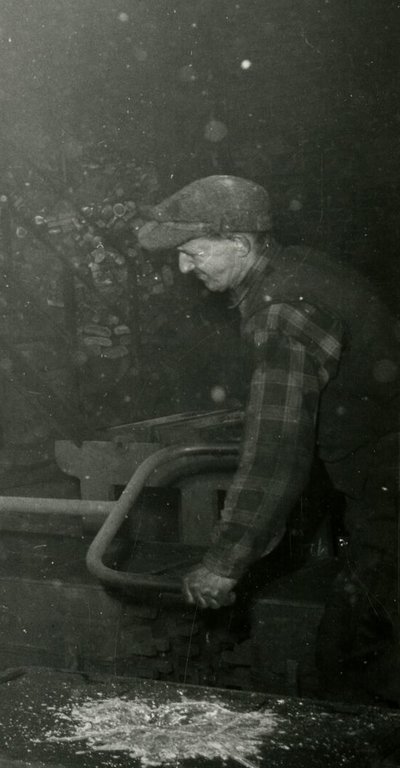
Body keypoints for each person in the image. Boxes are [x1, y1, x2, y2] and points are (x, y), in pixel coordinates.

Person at [136, 174, 400, 701]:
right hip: (382, 481)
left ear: (239, 243)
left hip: (389, 497)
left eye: (192, 252)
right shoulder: (300, 268)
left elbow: (277, 454)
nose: (184, 267)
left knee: (352, 661)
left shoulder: (282, 312)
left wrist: (223, 563)